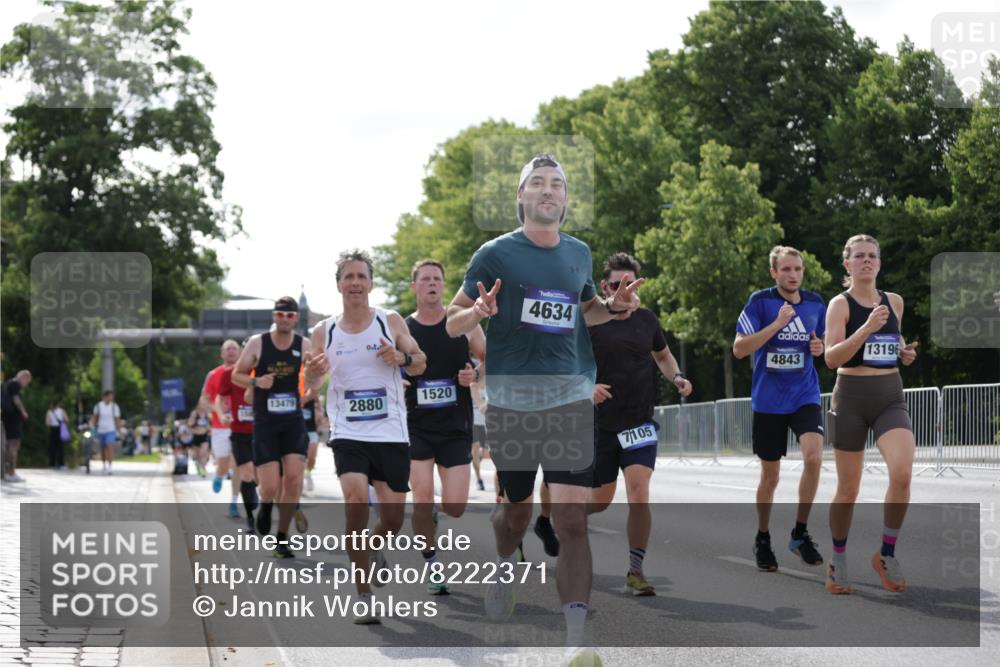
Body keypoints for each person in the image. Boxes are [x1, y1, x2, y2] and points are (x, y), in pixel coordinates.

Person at [445, 155, 640, 661]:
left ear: (566, 198)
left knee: (571, 520)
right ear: (522, 196)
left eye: (557, 184)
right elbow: (450, 324)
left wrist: (614, 308)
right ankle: (506, 561)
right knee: (515, 512)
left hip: (570, 397)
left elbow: (587, 310)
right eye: (538, 183)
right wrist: (477, 312)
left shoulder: (578, 253)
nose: (549, 190)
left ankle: (576, 639)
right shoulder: (494, 254)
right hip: (512, 401)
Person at [304, 249, 426, 623]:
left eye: (361, 277)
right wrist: (312, 373)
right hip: (348, 432)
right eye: (348, 277)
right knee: (356, 503)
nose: (355, 283)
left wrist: (401, 360)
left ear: (371, 284)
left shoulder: (389, 321)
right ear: (339, 284)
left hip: (390, 431)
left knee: (392, 519)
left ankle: (373, 548)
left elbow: (421, 362)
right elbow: (312, 385)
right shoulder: (322, 331)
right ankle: (363, 595)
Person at [588, 252, 693, 595]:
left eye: (629, 284)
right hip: (600, 425)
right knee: (600, 501)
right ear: (604, 287)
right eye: (616, 284)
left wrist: (676, 376)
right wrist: (585, 388)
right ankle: (558, 517)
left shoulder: (647, 321)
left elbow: (662, 355)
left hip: (638, 423)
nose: (623, 290)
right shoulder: (591, 321)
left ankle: (635, 569)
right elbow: (568, 362)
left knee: (638, 491)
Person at [823, 234, 918, 594]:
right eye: (859, 256)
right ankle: (838, 558)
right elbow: (831, 358)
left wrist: (904, 353)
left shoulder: (894, 302)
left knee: (903, 473)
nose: (866, 261)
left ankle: (886, 554)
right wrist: (866, 328)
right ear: (847, 264)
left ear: (879, 263)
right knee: (848, 490)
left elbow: (891, 345)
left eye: (872, 256)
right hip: (850, 398)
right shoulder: (840, 305)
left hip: (889, 396)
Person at [733, 246, 827, 572]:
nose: (792, 275)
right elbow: (740, 348)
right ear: (774, 272)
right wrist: (776, 324)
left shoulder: (816, 303)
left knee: (814, 457)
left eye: (797, 269)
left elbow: (825, 345)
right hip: (769, 400)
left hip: (804, 394)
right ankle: (762, 536)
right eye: (786, 269)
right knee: (770, 477)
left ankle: (800, 534)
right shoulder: (760, 301)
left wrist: (820, 346)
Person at [404, 259, 486, 595]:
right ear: (415, 287)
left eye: (437, 278)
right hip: (416, 426)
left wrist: (474, 375)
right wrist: (399, 380)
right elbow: (388, 367)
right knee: (422, 499)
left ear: (444, 284)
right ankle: (433, 564)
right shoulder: (402, 328)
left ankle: (436, 516)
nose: (432, 284)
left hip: (455, 424)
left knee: (455, 506)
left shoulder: (464, 323)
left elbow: (487, 359)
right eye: (425, 279)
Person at [233, 297, 314, 558]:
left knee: (293, 479)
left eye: (290, 316)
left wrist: (310, 392)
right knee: (268, 485)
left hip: (293, 421)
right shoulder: (258, 343)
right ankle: (266, 506)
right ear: (274, 316)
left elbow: (318, 374)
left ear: (296, 319)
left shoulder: (304, 345)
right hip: (266, 423)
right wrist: (257, 383)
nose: (285, 319)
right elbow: (237, 374)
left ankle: (282, 536)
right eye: (281, 315)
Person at [216, 340, 259, 533]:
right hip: (239, 432)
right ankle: (251, 516)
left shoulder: (263, 373)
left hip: (263, 432)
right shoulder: (229, 374)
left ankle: (262, 505)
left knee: (262, 478)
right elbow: (219, 397)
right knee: (246, 473)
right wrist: (221, 413)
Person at [202, 339, 242, 517]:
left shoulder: (245, 373)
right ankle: (219, 474)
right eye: (228, 349)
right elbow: (204, 400)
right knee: (224, 465)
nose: (232, 351)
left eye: (235, 348)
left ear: (240, 352)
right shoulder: (213, 374)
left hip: (240, 426)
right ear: (222, 353)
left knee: (237, 464)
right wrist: (218, 412)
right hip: (220, 427)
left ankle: (233, 502)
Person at [1, 370, 32, 483]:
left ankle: (7, 471)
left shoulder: (8, 383)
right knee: (14, 444)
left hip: (7, 418)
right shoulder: (15, 384)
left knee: (9, 444)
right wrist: (23, 412)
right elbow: (16, 399)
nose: (26, 384)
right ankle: (11, 473)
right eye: (27, 381)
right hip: (13, 419)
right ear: (23, 377)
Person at [89, 390, 122, 475]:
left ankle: (110, 467)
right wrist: (91, 425)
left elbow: (117, 419)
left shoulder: (114, 407)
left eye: (112, 396)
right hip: (101, 430)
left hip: (111, 430)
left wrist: (119, 430)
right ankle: (104, 465)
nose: (111, 398)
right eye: (110, 396)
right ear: (105, 397)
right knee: (103, 449)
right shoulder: (98, 406)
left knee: (109, 445)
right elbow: (95, 417)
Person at [187, 404, 212, 477]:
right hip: (196, 435)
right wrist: (195, 421)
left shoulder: (207, 414)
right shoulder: (195, 413)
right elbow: (190, 424)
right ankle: (198, 466)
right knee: (196, 454)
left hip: (204, 435)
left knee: (203, 453)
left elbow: (211, 424)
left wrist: (209, 429)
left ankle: (203, 468)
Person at [46, 399, 70, 469]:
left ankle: (52, 464)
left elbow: (47, 423)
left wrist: (52, 422)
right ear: (58, 404)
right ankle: (61, 463)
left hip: (53, 429)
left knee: (52, 447)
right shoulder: (62, 411)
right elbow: (66, 420)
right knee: (61, 448)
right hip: (60, 429)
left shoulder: (49, 412)